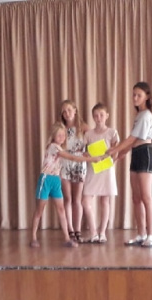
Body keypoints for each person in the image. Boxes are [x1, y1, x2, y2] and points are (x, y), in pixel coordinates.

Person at [106, 82, 152, 247]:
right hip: (136, 154)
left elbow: (132, 138)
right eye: (134, 94)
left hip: (145, 154)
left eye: (139, 95)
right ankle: (141, 234)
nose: (135, 98)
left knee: (146, 197)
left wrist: (114, 149)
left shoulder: (146, 115)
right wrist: (121, 153)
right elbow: (133, 141)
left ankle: (151, 235)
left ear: (147, 97)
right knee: (136, 198)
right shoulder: (139, 115)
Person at [30, 123, 98, 248]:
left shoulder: (61, 149)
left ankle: (67, 238)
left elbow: (72, 154)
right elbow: (71, 157)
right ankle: (33, 237)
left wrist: (85, 154)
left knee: (61, 209)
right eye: (59, 135)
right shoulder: (53, 147)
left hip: (56, 180)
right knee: (40, 209)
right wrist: (91, 159)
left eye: (63, 135)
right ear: (53, 136)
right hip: (46, 179)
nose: (62, 137)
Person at [81, 103, 121, 243]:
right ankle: (93, 232)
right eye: (96, 116)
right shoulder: (88, 134)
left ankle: (102, 232)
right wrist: (87, 155)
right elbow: (84, 151)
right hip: (93, 169)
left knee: (105, 200)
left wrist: (111, 160)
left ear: (107, 116)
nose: (99, 118)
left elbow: (116, 150)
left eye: (101, 115)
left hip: (106, 169)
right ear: (93, 117)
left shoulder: (112, 132)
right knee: (86, 201)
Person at [58, 100, 90, 242]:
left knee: (77, 199)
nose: (67, 113)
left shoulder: (83, 127)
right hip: (64, 164)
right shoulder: (61, 128)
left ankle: (78, 230)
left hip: (79, 164)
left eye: (69, 110)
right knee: (67, 198)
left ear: (75, 110)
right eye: (64, 111)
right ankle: (70, 229)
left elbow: (93, 142)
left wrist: (89, 153)